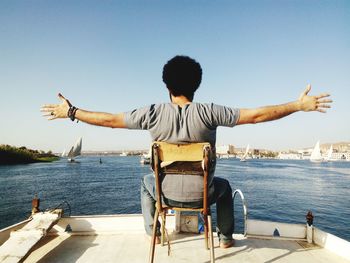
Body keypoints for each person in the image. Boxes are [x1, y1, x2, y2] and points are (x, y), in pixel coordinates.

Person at [41, 55, 332, 248]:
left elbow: (109, 121)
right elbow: (255, 115)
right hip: (204, 196)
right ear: (197, 85)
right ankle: (226, 238)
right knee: (226, 186)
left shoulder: (151, 113)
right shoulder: (210, 112)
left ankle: (153, 234)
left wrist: (72, 111)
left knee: (145, 184)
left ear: (166, 85)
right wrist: (297, 105)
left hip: (165, 195)